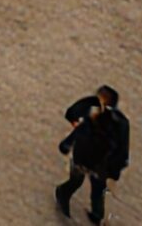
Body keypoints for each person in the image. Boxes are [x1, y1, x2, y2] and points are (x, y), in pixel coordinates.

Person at [55, 85, 130, 223]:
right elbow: (80, 129)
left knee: (97, 187)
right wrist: (67, 143)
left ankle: (96, 214)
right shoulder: (94, 114)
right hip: (85, 155)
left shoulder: (119, 123)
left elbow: (122, 147)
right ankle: (63, 193)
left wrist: (117, 166)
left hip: (99, 160)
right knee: (78, 180)